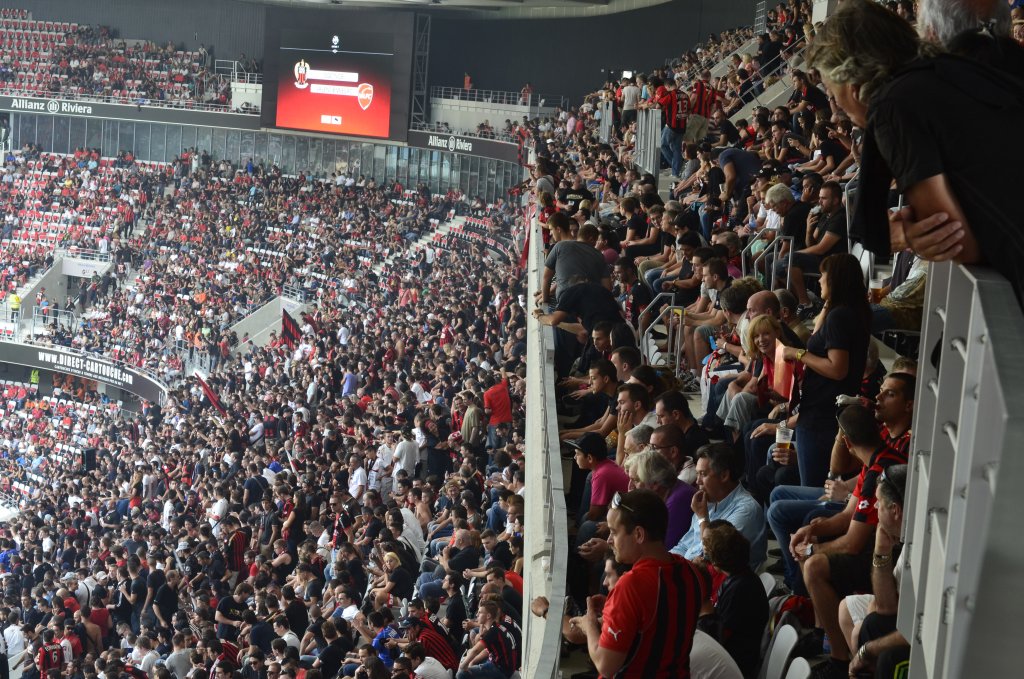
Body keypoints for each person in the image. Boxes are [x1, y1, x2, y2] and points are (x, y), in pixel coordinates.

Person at [808, 0, 1024, 302]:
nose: (837, 107)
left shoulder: (894, 107)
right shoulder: (952, 68)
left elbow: (956, 241)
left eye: (832, 91)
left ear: (853, 85)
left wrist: (906, 235)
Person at [787, 405, 909, 675]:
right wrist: (811, 532)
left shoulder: (882, 468)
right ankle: (822, 632)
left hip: (892, 551)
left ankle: (839, 660)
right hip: (874, 542)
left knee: (814, 565)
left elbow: (853, 542)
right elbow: (846, 515)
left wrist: (812, 549)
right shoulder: (873, 461)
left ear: (845, 441)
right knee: (815, 528)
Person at [572, 489, 702, 679]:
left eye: (614, 532)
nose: (609, 540)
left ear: (639, 534)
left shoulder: (631, 585)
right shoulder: (691, 571)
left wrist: (589, 624)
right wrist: (615, 609)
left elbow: (606, 665)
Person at [779, 254, 870, 487]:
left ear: (835, 279)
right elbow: (815, 336)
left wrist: (798, 354)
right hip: (825, 410)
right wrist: (828, 302)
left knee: (812, 487)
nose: (819, 280)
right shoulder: (847, 311)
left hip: (821, 414)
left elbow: (837, 368)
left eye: (823, 276)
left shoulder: (840, 317)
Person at [671, 444, 767, 571]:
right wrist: (664, 563)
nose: (697, 481)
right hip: (690, 571)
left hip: (718, 584)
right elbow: (684, 546)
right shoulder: (708, 502)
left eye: (703, 474)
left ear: (724, 476)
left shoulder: (746, 510)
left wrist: (702, 519)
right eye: (697, 474)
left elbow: (713, 558)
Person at [701, 521, 769, 678]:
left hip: (737, 665)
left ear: (717, 561)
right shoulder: (741, 577)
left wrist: (704, 608)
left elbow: (717, 639)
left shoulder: (739, 589)